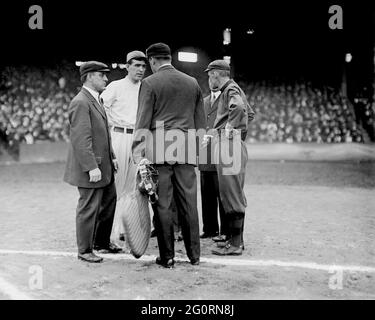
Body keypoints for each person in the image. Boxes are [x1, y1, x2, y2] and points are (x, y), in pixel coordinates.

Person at [132, 43, 206, 268]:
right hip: (185, 150)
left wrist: (138, 153)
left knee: (162, 204)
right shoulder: (192, 82)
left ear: (153, 60)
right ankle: (194, 255)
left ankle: (168, 257)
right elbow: (201, 123)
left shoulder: (149, 83)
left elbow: (142, 120)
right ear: (169, 58)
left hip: (159, 150)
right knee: (189, 204)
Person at [63, 61, 122, 263]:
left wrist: (112, 157)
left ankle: (102, 242)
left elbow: (104, 134)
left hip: (104, 164)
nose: (106, 78)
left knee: (108, 202)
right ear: (89, 76)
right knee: (88, 207)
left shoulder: (96, 100)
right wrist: (91, 167)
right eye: (102, 75)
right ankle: (85, 250)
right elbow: (81, 139)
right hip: (92, 167)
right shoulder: (81, 102)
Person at [203, 60, 255, 256]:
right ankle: (235, 240)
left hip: (228, 145)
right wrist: (238, 134)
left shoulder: (230, 89)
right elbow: (250, 114)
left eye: (210, 75)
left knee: (231, 194)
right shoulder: (233, 88)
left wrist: (230, 130)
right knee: (231, 192)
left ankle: (235, 245)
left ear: (216, 74)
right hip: (231, 144)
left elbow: (240, 108)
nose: (209, 79)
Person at [100, 50, 147, 247]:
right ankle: (108, 233)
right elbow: (101, 107)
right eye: (136, 65)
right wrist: (111, 126)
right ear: (127, 66)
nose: (140, 69)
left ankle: (123, 229)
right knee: (116, 185)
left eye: (143, 66)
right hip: (119, 135)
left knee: (133, 186)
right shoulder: (116, 86)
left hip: (138, 137)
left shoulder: (146, 87)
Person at [198, 85, 228, 240]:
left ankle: (225, 231)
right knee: (206, 194)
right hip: (204, 153)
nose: (211, 81)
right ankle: (209, 229)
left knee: (222, 194)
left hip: (221, 152)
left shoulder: (228, 99)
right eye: (209, 77)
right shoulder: (203, 101)